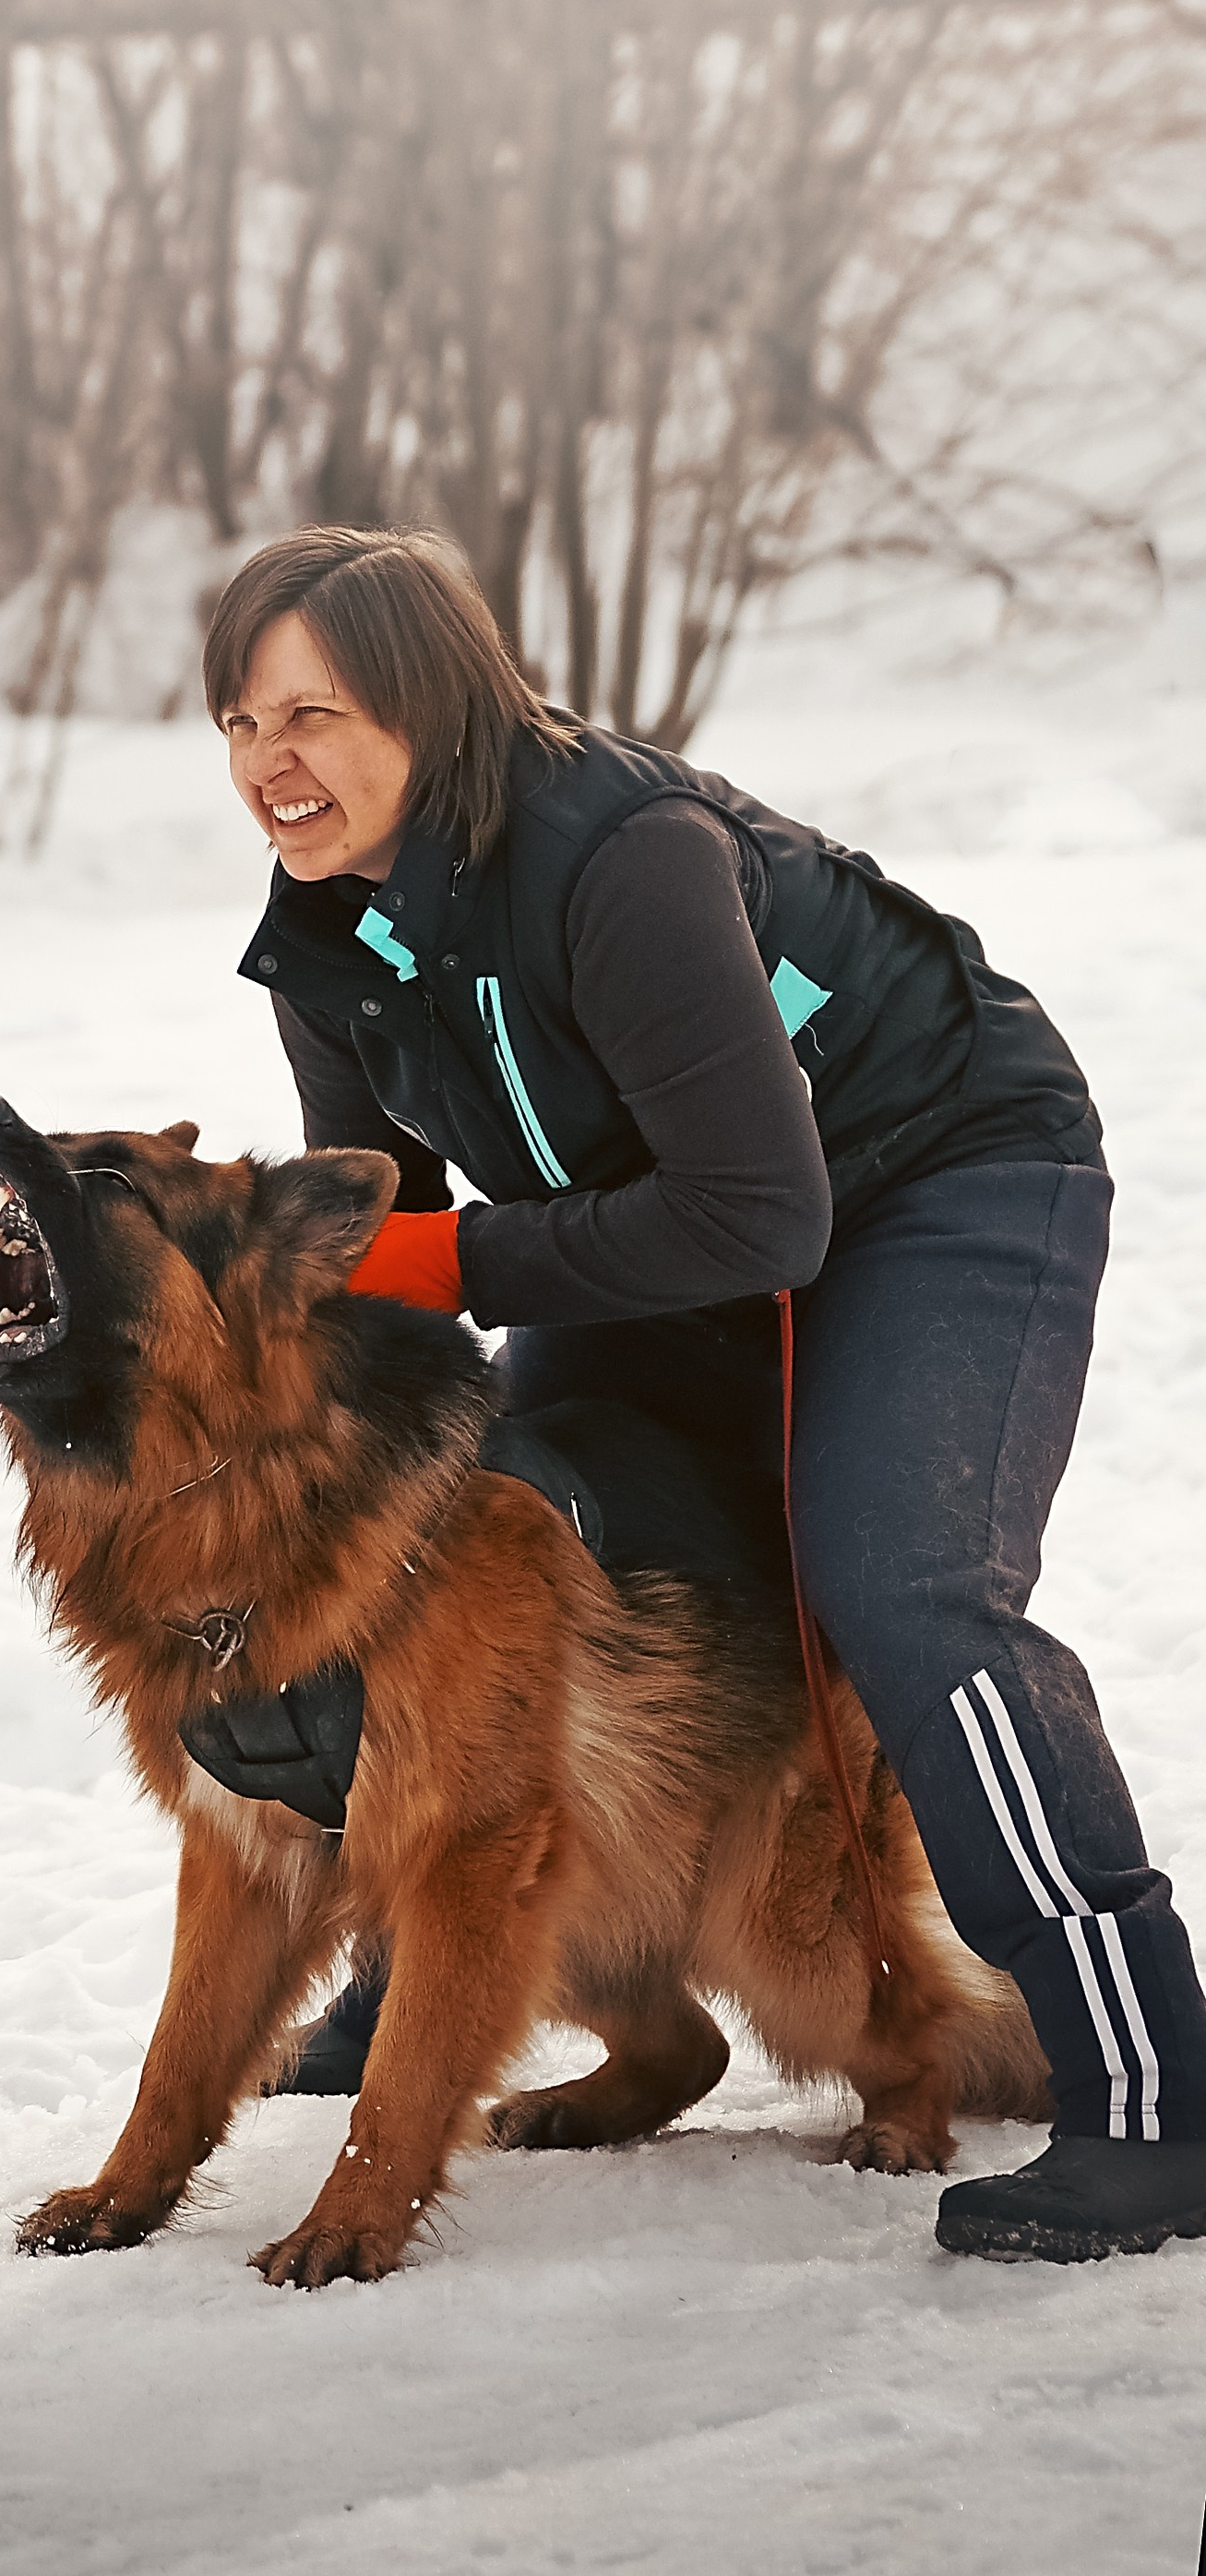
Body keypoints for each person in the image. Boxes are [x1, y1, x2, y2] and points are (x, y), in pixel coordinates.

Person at [205, 521, 1206, 2266]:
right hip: (664, 1220)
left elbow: (761, 1208)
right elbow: (380, 1237)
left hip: (934, 1174)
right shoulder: (326, 922)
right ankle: (412, 1979)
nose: (269, 764)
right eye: (236, 722)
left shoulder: (623, 859)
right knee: (463, 1548)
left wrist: (451, 1269)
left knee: (906, 1588)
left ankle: (1160, 2092)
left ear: (433, 712)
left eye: (315, 714)